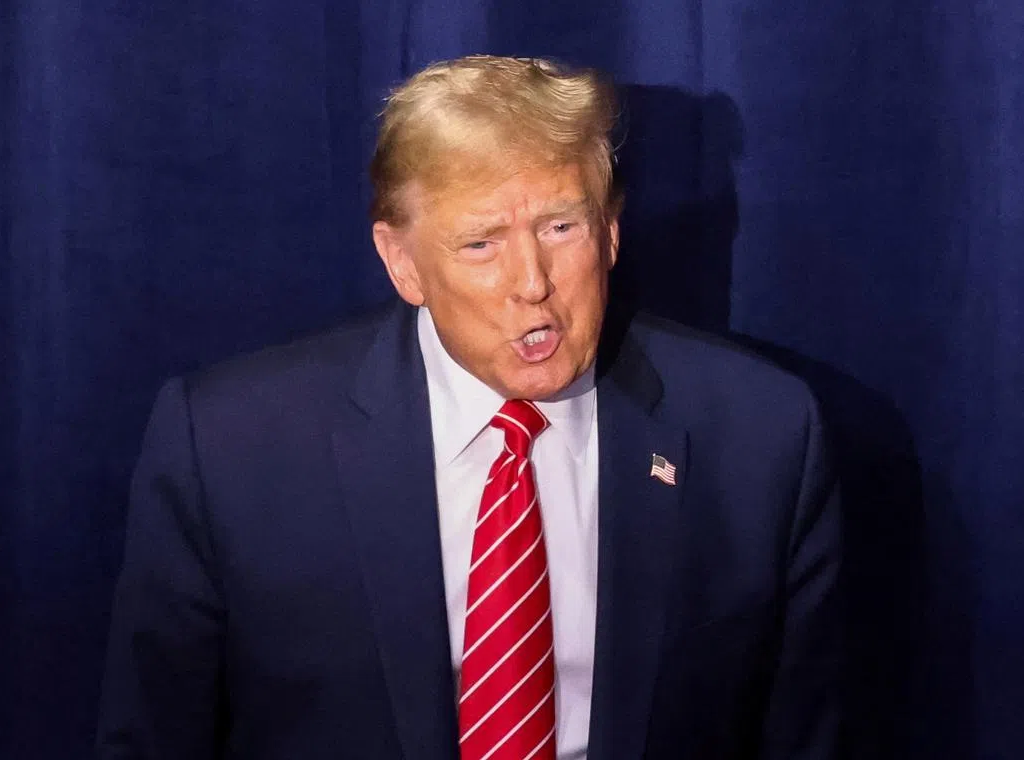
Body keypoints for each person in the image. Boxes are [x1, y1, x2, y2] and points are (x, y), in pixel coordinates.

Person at [97, 55, 841, 760]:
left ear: (610, 231)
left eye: (560, 227)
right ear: (402, 262)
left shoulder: (761, 438)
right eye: (481, 243)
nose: (532, 283)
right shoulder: (229, 447)